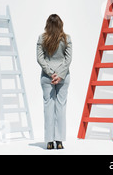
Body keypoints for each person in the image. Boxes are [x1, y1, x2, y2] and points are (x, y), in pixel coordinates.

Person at [36, 14, 72, 150]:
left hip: (47, 77)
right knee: (61, 108)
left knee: (48, 108)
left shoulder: (42, 38)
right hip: (64, 77)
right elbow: (68, 60)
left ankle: (49, 141)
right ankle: (60, 141)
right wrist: (60, 75)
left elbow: (40, 59)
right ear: (61, 24)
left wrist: (51, 74)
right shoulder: (67, 39)